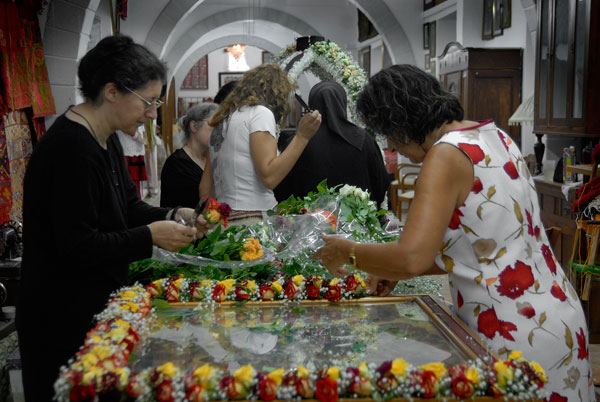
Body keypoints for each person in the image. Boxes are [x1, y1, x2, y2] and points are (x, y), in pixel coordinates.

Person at [313, 65, 595, 401]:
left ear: (401, 120)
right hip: (557, 316)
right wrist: (385, 270)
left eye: (387, 132)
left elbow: (412, 258)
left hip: (511, 330)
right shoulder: (496, 136)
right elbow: (482, 248)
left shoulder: (445, 155)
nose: (391, 145)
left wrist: (346, 251)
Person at [16, 35, 209, 401]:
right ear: (112, 91)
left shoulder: (108, 137)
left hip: (94, 302)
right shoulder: (72, 148)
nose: (153, 114)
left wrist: (174, 214)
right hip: (61, 313)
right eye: (149, 102)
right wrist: (150, 236)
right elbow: (78, 245)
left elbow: (127, 208)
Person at [200, 64, 322, 218]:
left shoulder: (224, 119)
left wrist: (211, 220)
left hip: (224, 217)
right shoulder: (259, 113)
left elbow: (205, 187)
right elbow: (269, 177)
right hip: (253, 217)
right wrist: (302, 137)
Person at [274, 81, 390, 207]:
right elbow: (380, 184)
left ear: (312, 106)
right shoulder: (363, 139)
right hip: (357, 222)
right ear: (342, 104)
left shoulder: (298, 141)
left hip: (307, 221)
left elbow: (281, 189)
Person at [160, 102, 218, 208]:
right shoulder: (177, 163)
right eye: (214, 124)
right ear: (194, 126)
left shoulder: (209, 158)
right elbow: (201, 202)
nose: (218, 131)